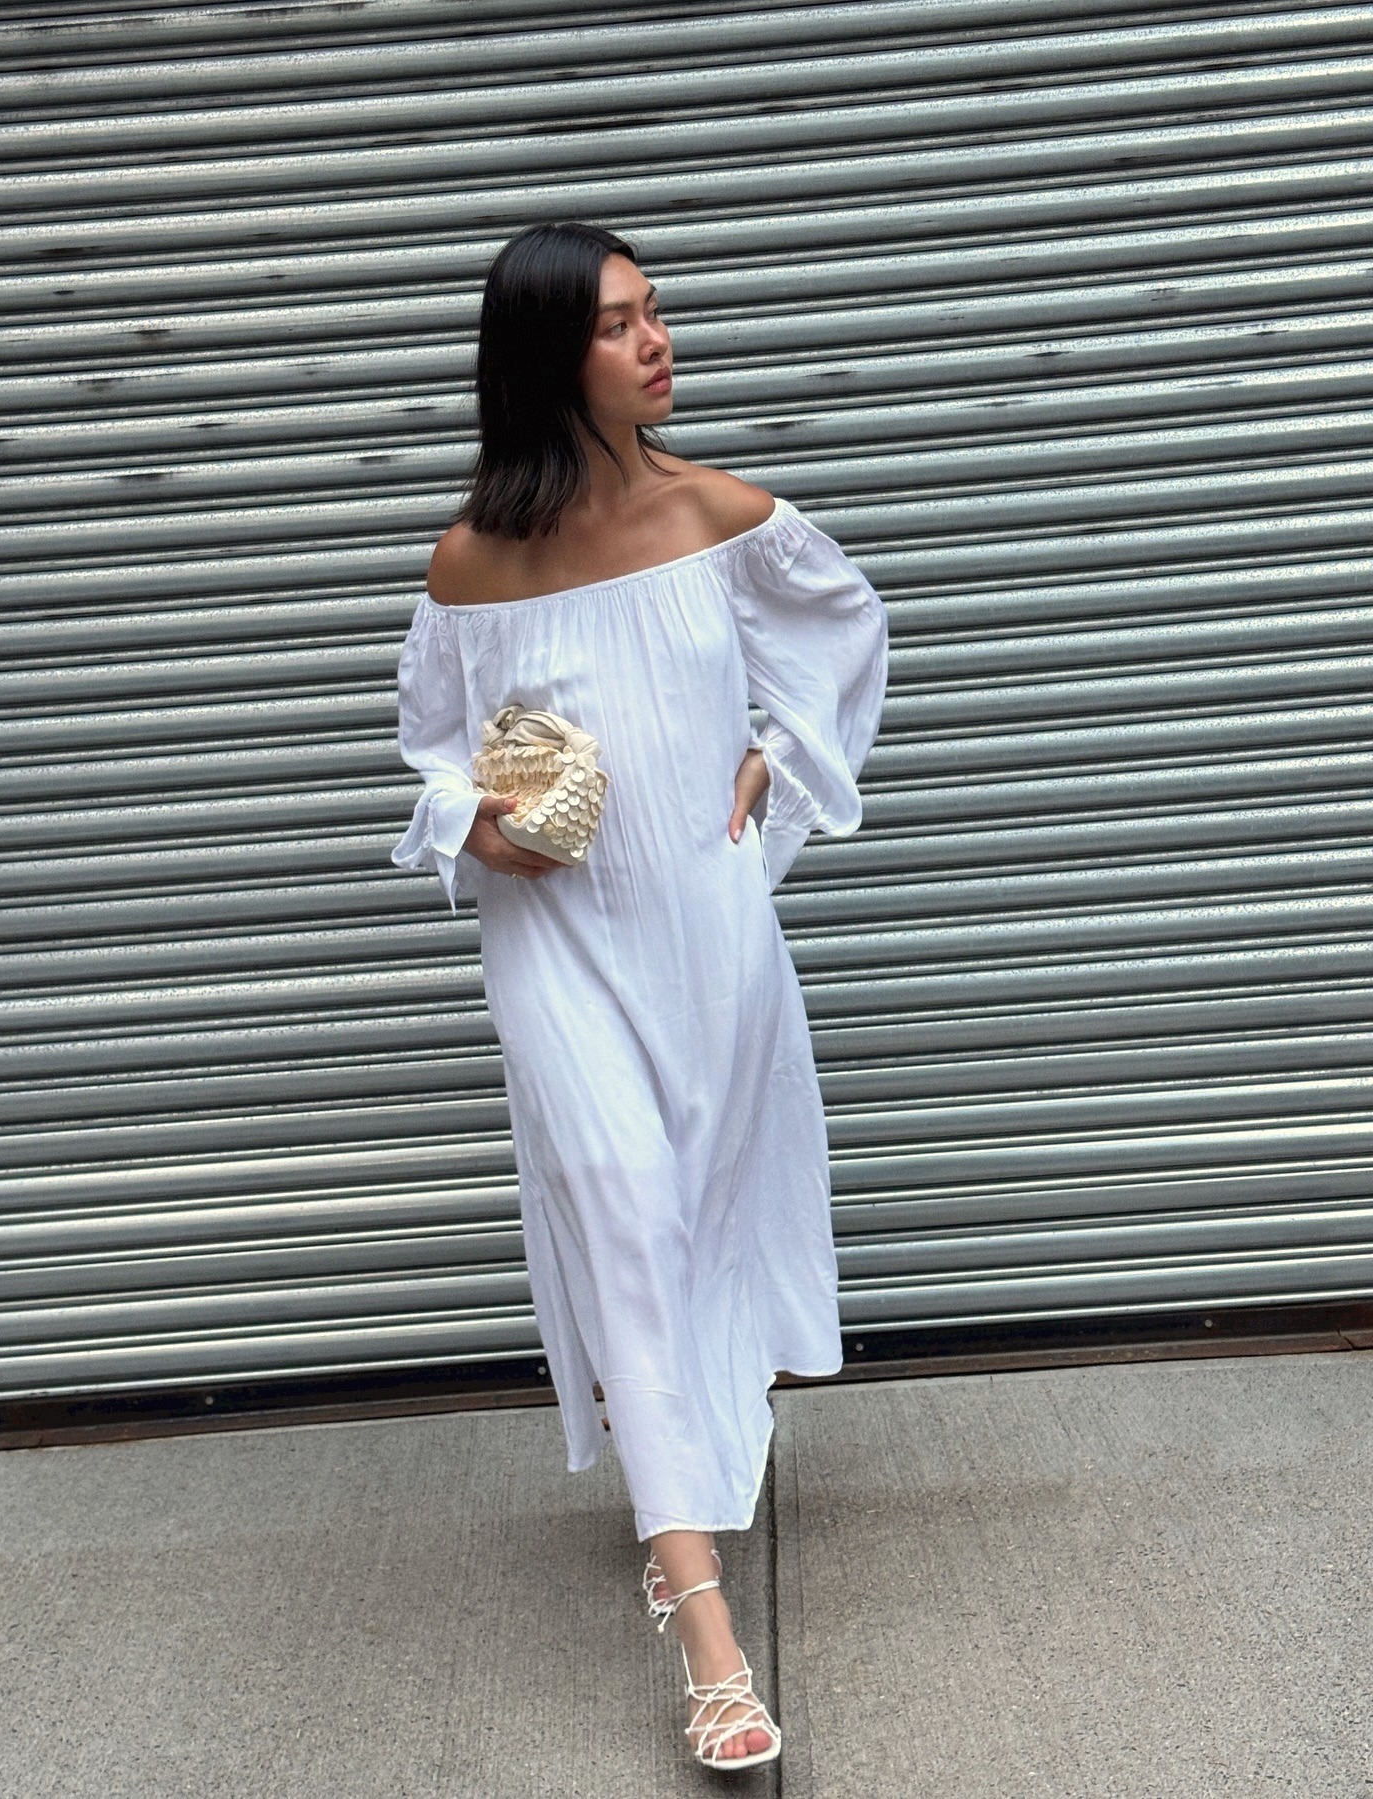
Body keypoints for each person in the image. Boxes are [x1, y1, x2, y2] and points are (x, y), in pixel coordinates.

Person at [392, 221, 888, 1770]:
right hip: (554, 944)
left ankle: (684, 1480)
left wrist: (780, 758)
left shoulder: (718, 515)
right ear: (548, 355)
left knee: (698, 1220)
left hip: (707, 934)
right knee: (619, 1210)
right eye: (618, 323)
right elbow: (431, 750)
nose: (656, 341)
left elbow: (846, 633)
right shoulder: (470, 558)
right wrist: (474, 825)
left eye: (654, 312)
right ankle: (709, 1636)